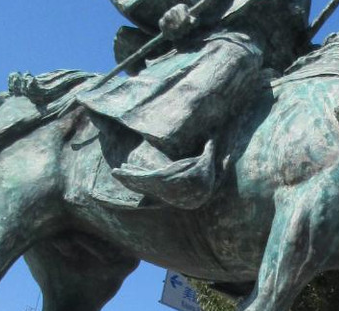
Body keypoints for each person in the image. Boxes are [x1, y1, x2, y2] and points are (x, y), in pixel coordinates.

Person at [79, 0, 310, 208]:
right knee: (238, 55)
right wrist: (174, 10)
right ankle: (141, 147)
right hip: (219, 40)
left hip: (276, 64)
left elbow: (290, 32)